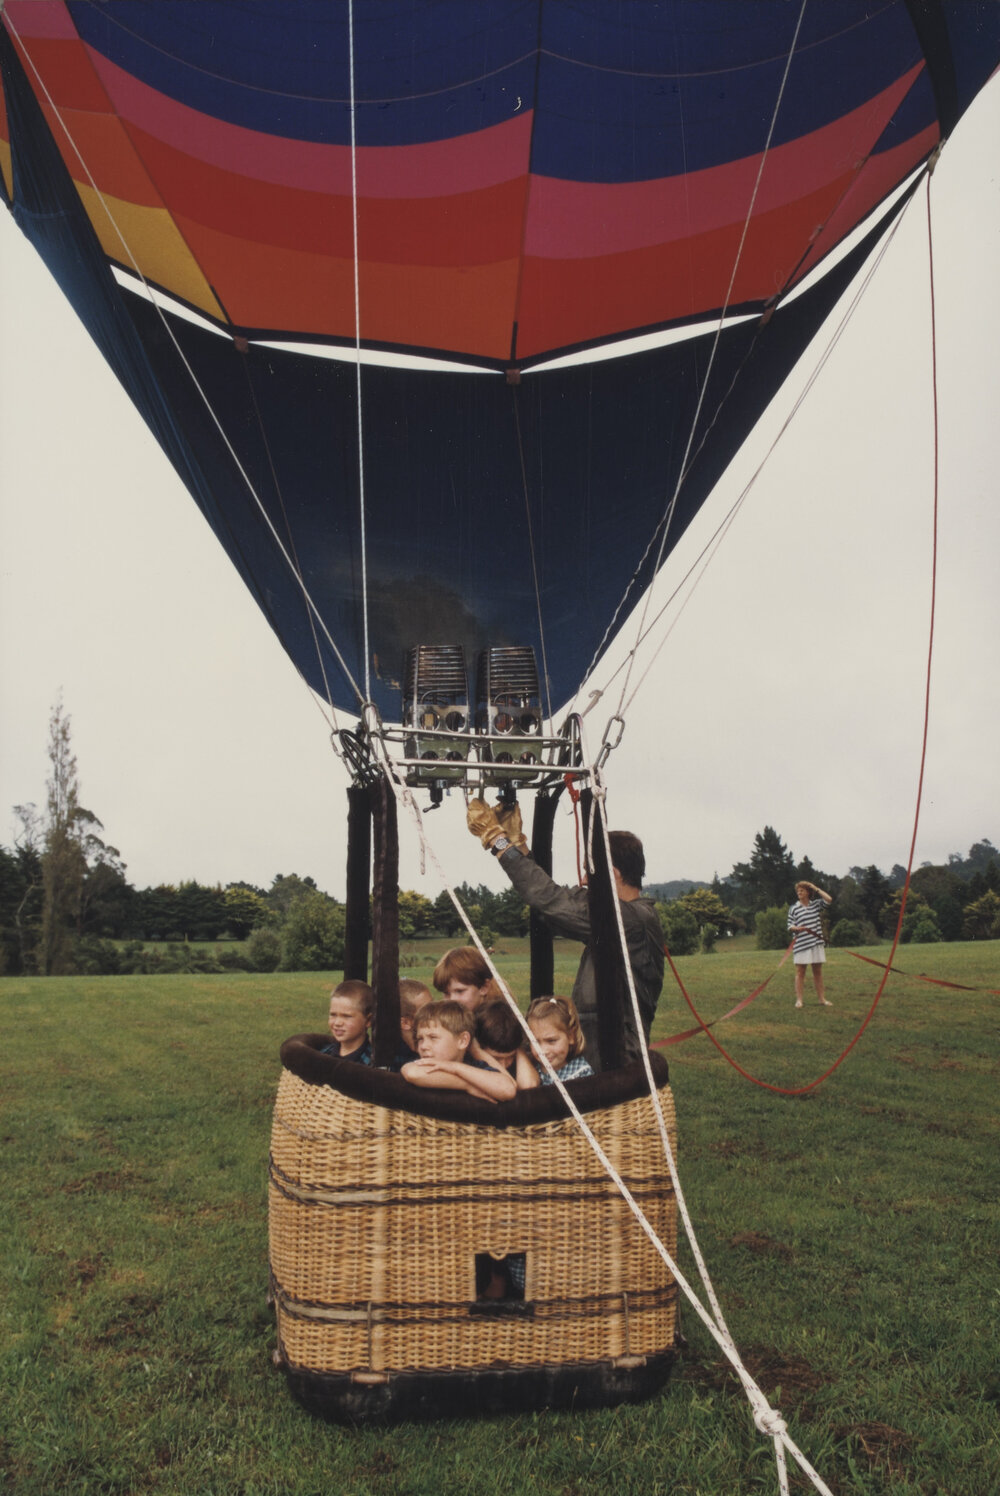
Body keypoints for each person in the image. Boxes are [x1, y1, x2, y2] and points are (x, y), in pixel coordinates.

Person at [466, 799, 664, 1070]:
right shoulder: (621, 920)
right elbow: (552, 910)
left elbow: (551, 900)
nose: (584, 880)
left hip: (614, 1062)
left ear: (613, 875)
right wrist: (517, 843)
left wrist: (496, 840)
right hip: (594, 1053)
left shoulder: (631, 921)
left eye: (589, 872)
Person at [401, 1000, 517, 1102]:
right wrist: (468, 1086)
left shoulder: (475, 1067)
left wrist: (454, 1067)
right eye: (420, 1039)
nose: (423, 1046)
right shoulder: (423, 1065)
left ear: (462, 1040)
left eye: (433, 1037)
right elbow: (413, 1073)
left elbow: (507, 1089)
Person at [526, 995, 594, 1084]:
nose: (543, 1051)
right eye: (535, 1042)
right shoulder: (532, 1070)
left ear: (571, 1036)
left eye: (551, 1041)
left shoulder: (581, 1073)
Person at [472, 1000, 540, 1090]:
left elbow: (529, 1086)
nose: (503, 1065)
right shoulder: (470, 1062)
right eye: (496, 1058)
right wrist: (476, 1051)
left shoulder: (518, 1058)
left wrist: (518, 1049)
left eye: (510, 1057)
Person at [787, 880, 834, 1009]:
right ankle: (799, 1000)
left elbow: (829, 899)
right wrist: (796, 928)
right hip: (801, 944)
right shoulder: (794, 908)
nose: (799, 892)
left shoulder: (816, 905)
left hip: (816, 944)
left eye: (802, 890)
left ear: (808, 892)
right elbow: (789, 925)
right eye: (798, 891)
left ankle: (822, 999)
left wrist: (816, 888)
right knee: (800, 972)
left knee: (817, 972)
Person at [432, 947, 501, 1014]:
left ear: (484, 987)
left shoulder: (497, 1023)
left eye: (460, 991)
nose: (452, 1000)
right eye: (446, 993)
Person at [321, 978, 374, 1062]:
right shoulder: (323, 1056)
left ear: (368, 1020)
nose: (337, 1023)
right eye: (333, 1015)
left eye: (346, 1016)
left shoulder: (373, 1062)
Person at [390, 977, 433, 1069]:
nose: (435, 1012)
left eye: (433, 1006)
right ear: (405, 1023)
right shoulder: (393, 1055)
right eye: (426, 1010)